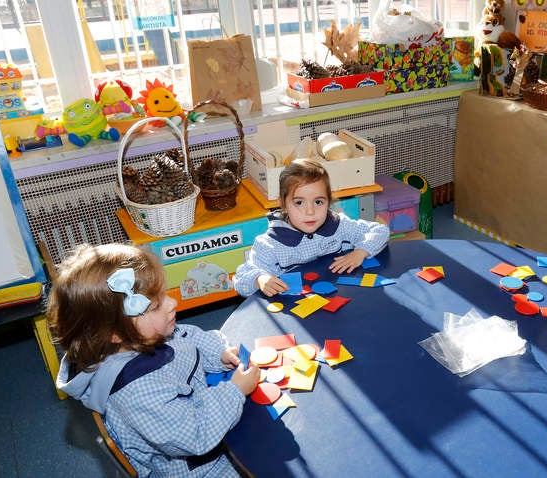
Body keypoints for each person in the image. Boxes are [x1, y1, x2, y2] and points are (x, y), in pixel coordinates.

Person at [49, 243, 260, 477]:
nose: (173, 304)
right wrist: (235, 391)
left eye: (163, 294)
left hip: (206, 413)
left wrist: (219, 354)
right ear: (115, 333)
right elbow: (195, 435)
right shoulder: (137, 391)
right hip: (196, 467)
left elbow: (186, 336)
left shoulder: (139, 335)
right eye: (157, 304)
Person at [234, 158, 390, 297]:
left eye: (318, 202)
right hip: (296, 306)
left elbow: (380, 230)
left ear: (329, 202)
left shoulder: (339, 225)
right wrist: (259, 279)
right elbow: (241, 279)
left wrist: (360, 252)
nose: (310, 212)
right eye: (299, 202)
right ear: (283, 205)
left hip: (338, 295)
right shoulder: (269, 244)